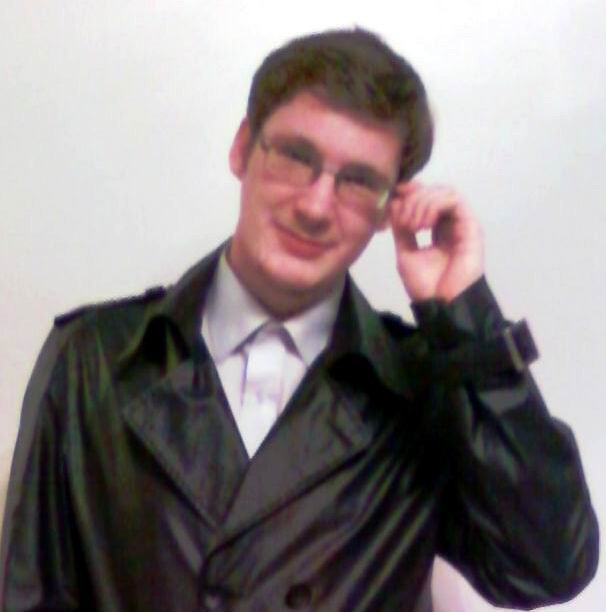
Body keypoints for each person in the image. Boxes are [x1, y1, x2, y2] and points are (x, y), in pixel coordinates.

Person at [0, 27, 599, 612]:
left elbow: (545, 569)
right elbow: (28, 593)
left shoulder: (422, 386)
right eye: (294, 156)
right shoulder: (93, 359)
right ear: (242, 148)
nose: (315, 206)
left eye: (358, 181)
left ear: (390, 207)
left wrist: (466, 319)